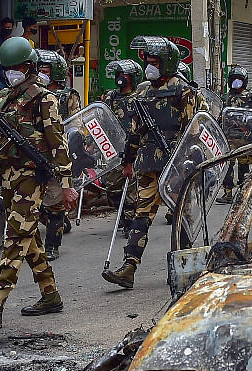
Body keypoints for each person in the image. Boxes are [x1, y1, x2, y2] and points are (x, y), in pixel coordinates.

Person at [0, 37, 74, 329]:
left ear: (29, 67)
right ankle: (50, 294)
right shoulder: (3, 99)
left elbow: (58, 145)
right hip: (8, 178)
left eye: (17, 67)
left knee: (15, 236)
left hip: (32, 179)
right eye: (8, 68)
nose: (11, 72)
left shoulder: (44, 100)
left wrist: (66, 184)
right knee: (30, 238)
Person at [101, 37, 196, 290]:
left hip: (176, 166)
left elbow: (193, 130)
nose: (150, 67)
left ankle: (183, 268)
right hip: (147, 164)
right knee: (141, 215)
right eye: (148, 62)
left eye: (155, 62)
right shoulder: (142, 91)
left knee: (181, 216)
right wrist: (128, 161)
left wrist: (188, 161)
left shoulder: (183, 90)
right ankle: (128, 267)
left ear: (167, 63)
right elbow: (134, 133)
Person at [36, 49, 81, 261]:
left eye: (45, 70)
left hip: (57, 154)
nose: (41, 74)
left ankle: (52, 246)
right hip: (35, 155)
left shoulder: (67, 96)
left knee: (55, 203)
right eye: (39, 70)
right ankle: (61, 222)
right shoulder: (32, 95)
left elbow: (76, 124)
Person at [102, 59, 144, 230]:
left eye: (125, 74)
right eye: (119, 74)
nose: (121, 78)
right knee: (112, 188)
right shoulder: (111, 96)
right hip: (113, 148)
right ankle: (121, 212)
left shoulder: (140, 97)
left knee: (132, 188)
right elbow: (101, 117)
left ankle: (129, 220)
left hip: (134, 148)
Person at [217, 64, 252, 204]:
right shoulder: (224, 98)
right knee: (227, 166)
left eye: (239, 79)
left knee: (244, 167)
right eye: (234, 79)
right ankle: (227, 193)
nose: (236, 82)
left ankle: (244, 192)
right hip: (227, 138)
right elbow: (218, 115)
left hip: (245, 138)